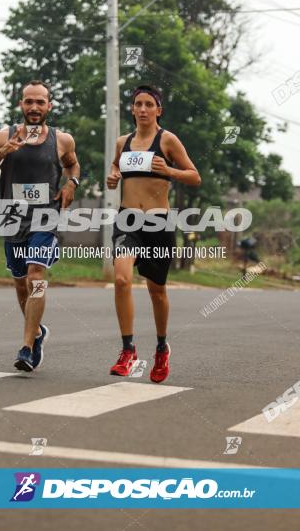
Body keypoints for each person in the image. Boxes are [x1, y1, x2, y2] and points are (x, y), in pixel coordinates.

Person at [0, 80, 80, 372]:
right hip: (12, 215)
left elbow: (72, 164)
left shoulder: (62, 140)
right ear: (21, 104)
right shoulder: (2, 136)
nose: (34, 107)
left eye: (40, 102)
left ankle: (27, 347)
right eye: (28, 102)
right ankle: (37, 332)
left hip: (46, 216)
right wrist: (1, 153)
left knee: (36, 274)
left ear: (50, 106)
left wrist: (72, 182)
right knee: (21, 283)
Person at [105, 85, 200, 383]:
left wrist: (169, 171)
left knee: (156, 290)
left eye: (149, 104)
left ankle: (161, 348)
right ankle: (127, 349)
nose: (143, 109)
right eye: (138, 104)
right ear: (132, 109)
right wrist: (112, 176)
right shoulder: (123, 142)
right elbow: (114, 168)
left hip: (158, 223)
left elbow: (194, 176)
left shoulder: (167, 140)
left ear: (158, 110)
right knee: (121, 278)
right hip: (128, 219)